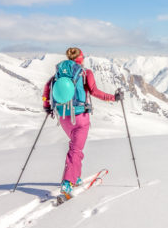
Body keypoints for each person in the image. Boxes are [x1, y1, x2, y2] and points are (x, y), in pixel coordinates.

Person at [42, 47, 122, 198]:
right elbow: (95, 92)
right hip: (80, 118)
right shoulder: (85, 73)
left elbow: (47, 88)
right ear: (81, 58)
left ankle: (76, 177)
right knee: (75, 150)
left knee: (75, 147)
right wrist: (114, 98)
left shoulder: (59, 74)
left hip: (63, 117)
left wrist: (47, 106)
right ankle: (67, 183)